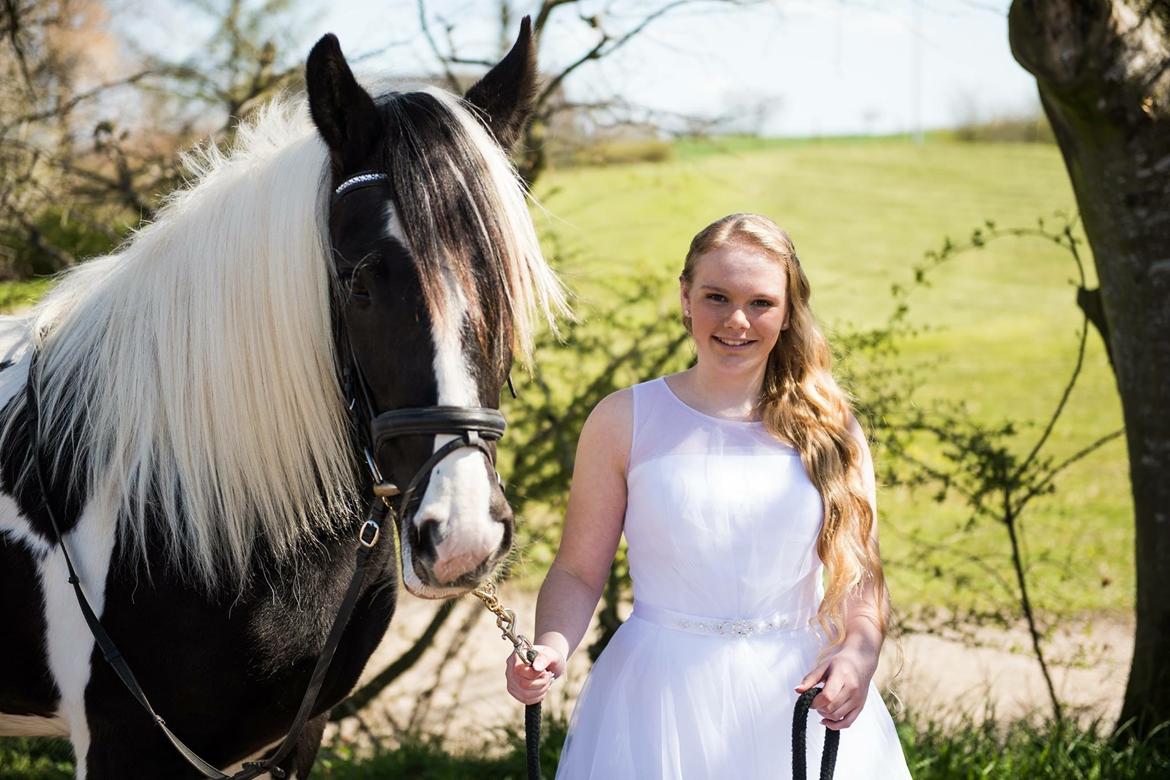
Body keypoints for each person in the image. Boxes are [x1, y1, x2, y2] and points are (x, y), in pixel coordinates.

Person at [505, 213, 912, 779]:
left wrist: (858, 654)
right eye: (716, 296)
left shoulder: (831, 426)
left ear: (789, 310)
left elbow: (862, 576)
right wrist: (550, 647)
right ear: (685, 298)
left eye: (761, 303)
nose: (737, 320)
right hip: (656, 697)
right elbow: (577, 571)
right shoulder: (624, 419)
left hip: (796, 690)